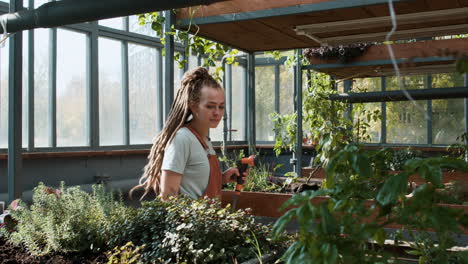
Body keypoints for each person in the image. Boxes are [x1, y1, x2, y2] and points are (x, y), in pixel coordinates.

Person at [131, 67, 244, 200]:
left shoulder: (204, 140)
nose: (217, 113)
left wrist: (222, 179)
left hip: (208, 219)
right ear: (193, 105)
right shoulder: (182, 139)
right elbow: (168, 196)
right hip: (190, 221)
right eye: (210, 106)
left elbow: (194, 186)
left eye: (221, 106)